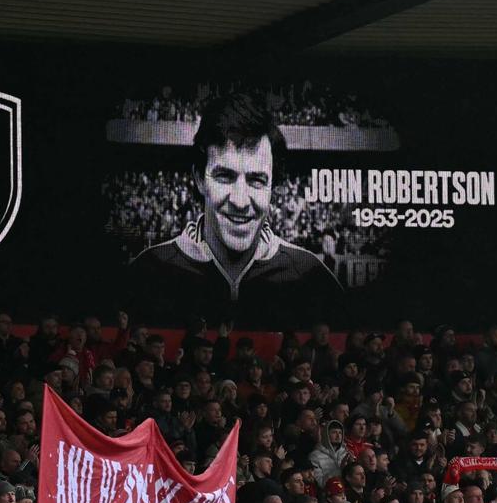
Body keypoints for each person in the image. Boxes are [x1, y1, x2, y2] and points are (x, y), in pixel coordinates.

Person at [128, 92, 342, 328]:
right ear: (199, 179)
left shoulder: (310, 277)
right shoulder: (149, 272)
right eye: (225, 176)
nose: (240, 201)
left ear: (273, 187)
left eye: (257, 180)